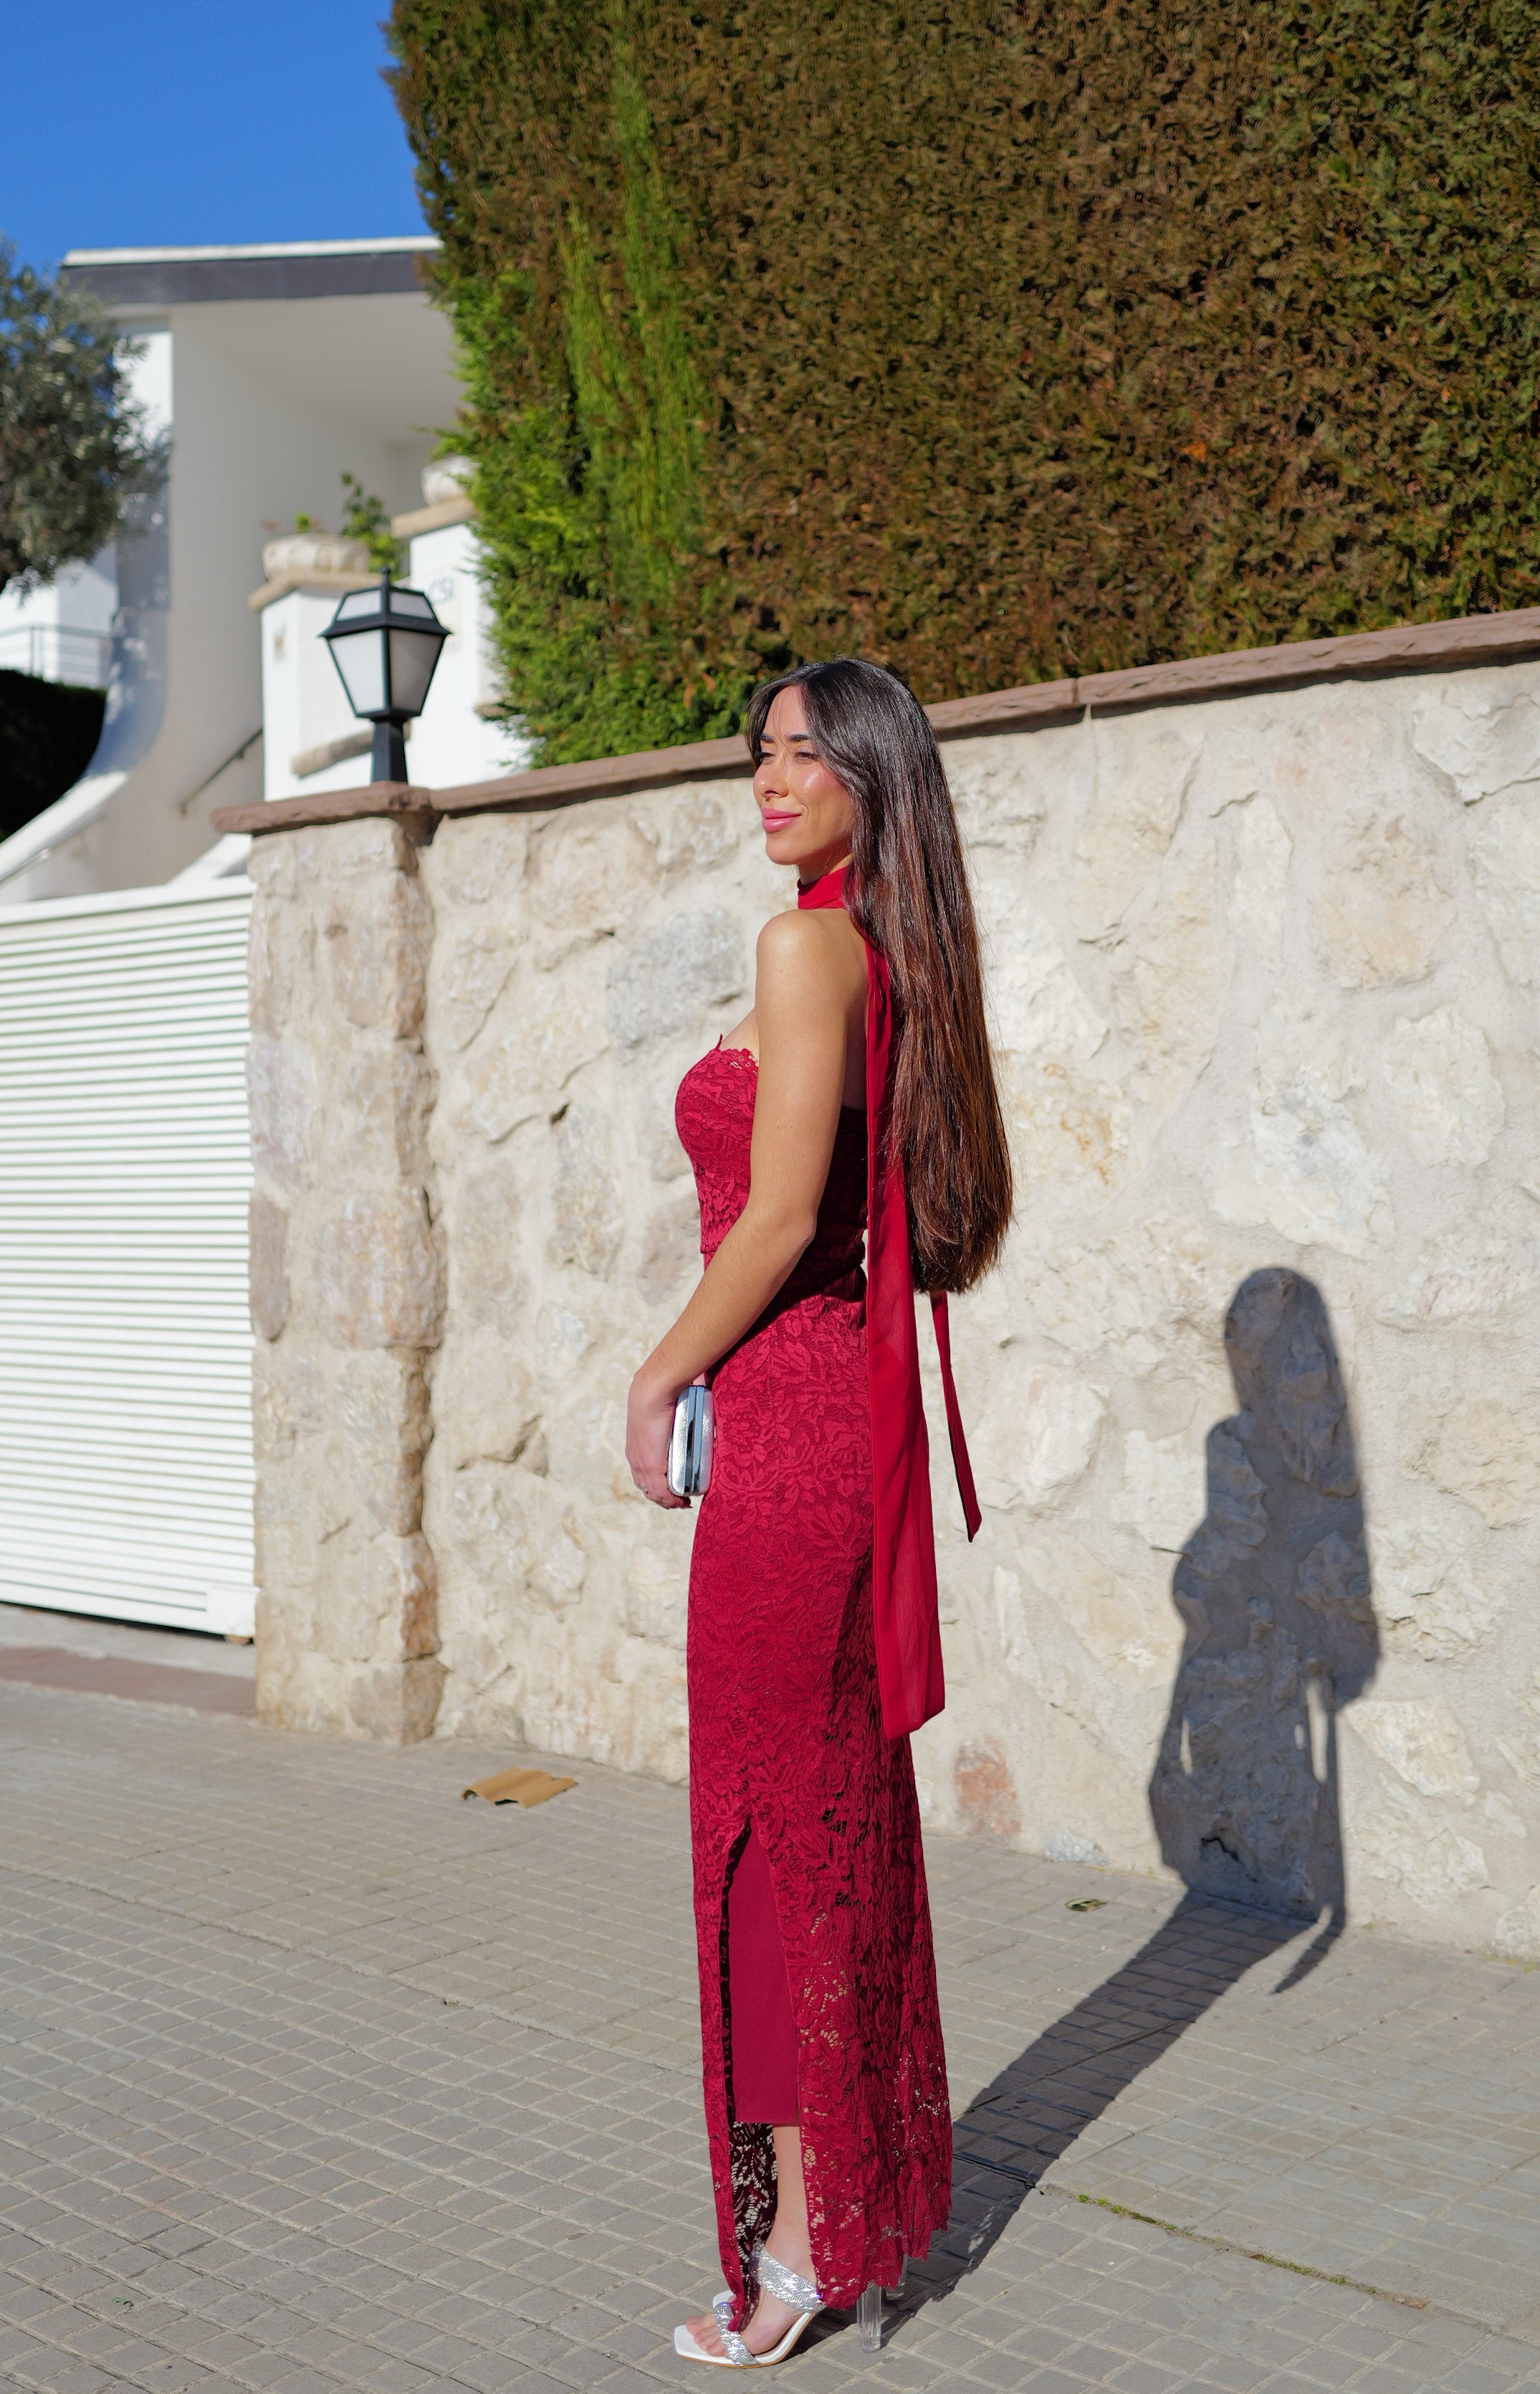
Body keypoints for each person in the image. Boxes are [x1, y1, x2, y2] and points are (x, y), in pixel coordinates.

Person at [624, 658, 1014, 2366]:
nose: (771, 776)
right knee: (828, 1823)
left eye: (806, 753)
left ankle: (795, 2245)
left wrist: (651, 1379)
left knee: (776, 1837)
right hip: (823, 1440)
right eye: (760, 751)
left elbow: (778, 1223)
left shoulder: (810, 948)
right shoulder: (884, 945)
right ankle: (838, 2206)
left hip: (785, 1444)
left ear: (874, 773)